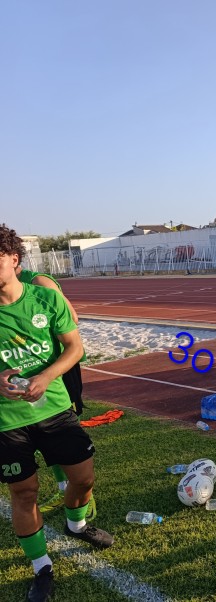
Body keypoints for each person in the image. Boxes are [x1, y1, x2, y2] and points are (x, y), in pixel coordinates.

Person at [0, 224, 113, 602]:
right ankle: (41, 566)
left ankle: (76, 524)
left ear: (14, 259)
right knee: (23, 492)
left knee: (84, 478)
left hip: (55, 410)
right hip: (6, 420)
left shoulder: (45, 298)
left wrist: (47, 376)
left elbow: (74, 347)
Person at [14, 264, 96, 520]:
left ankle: (85, 499)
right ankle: (63, 489)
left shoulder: (38, 282)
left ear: (14, 259)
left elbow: (72, 318)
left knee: (61, 429)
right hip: (24, 377)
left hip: (57, 368)